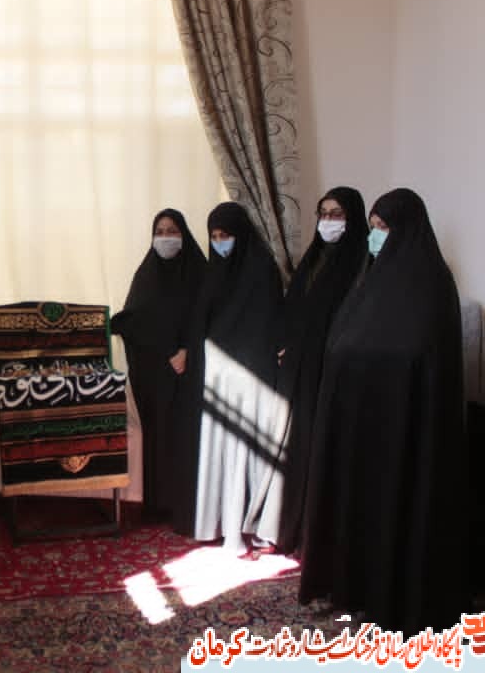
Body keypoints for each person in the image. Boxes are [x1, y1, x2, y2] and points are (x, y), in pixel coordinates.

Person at [298, 188, 468, 636]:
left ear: (407, 230)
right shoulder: (370, 281)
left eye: (383, 227)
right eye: (372, 226)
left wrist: (364, 360)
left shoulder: (432, 283)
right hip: (360, 422)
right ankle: (353, 588)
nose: (374, 235)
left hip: (403, 425)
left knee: (395, 509)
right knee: (358, 509)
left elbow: (417, 353)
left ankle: (393, 598)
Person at [171, 201, 283, 556]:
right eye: (214, 236)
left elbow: (269, 324)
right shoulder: (214, 272)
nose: (219, 242)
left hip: (252, 377)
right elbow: (201, 320)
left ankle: (250, 524)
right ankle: (217, 522)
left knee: (245, 451)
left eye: (225, 235)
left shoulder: (262, 269)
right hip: (217, 375)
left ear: (241, 234)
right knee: (219, 450)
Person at [267, 187, 369, 556]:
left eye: (337, 214)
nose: (328, 221)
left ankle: (317, 536)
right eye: (323, 214)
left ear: (352, 218)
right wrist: (285, 343)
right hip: (301, 369)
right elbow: (294, 307)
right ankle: (292, 529)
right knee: (297, 447)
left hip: (332, 372)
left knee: (323, 450)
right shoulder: (313, 259)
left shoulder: (362, 264)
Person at [111, 209, 208, 522]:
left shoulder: (199, 272)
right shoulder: (146, 273)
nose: (165, 238)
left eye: (172, 231)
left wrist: (187, 350)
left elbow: (207, 317)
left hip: (189, 371)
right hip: (153, 373)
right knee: (157, 437)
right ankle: (157, 504)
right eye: (160, 232)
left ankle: (187, 505)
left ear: (184, 235)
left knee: (185, 436)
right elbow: (136, 318)